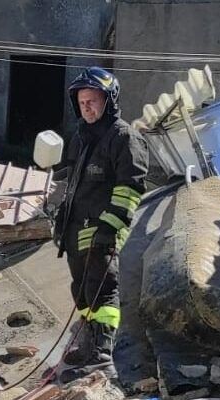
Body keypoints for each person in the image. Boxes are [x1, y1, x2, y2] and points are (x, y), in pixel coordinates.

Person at [52, 67, 148, 383]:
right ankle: (89, 345)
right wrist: (60, 219)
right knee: (82, 292)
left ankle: (102, 353)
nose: (87, 108)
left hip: (101, 232)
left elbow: (130, 187)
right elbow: (73, 184)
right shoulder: (80, 139)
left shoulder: (124, 138)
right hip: (75, 232)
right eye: (82, 103)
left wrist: (109, 228)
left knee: (102, 292)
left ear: (108, 100)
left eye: (92, 101)